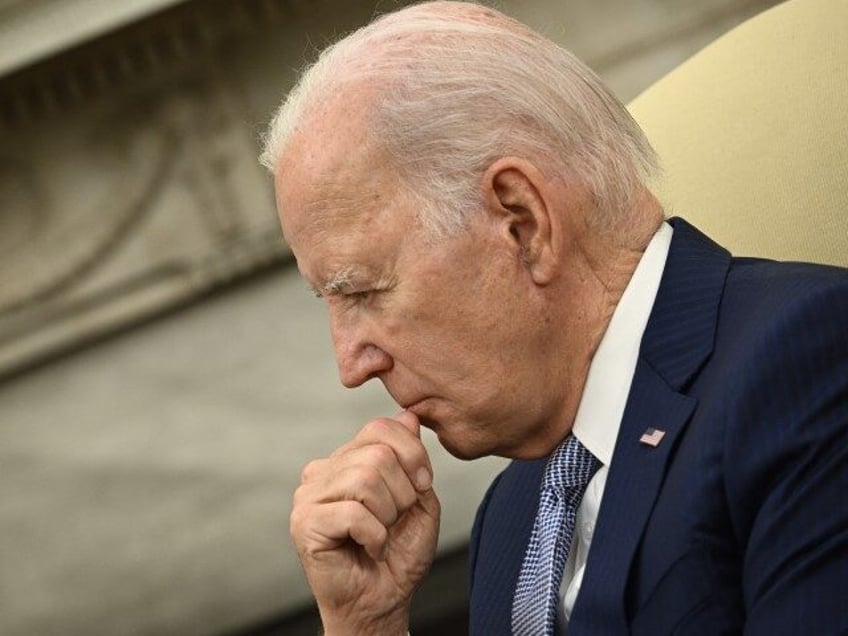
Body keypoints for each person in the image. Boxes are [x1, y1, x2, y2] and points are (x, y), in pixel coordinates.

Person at [259, 2, 848, 634]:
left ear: (522, 223)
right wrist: (366, 624)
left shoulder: (809, 359)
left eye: (364, 292)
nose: (351, 364)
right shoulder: (509, 522)